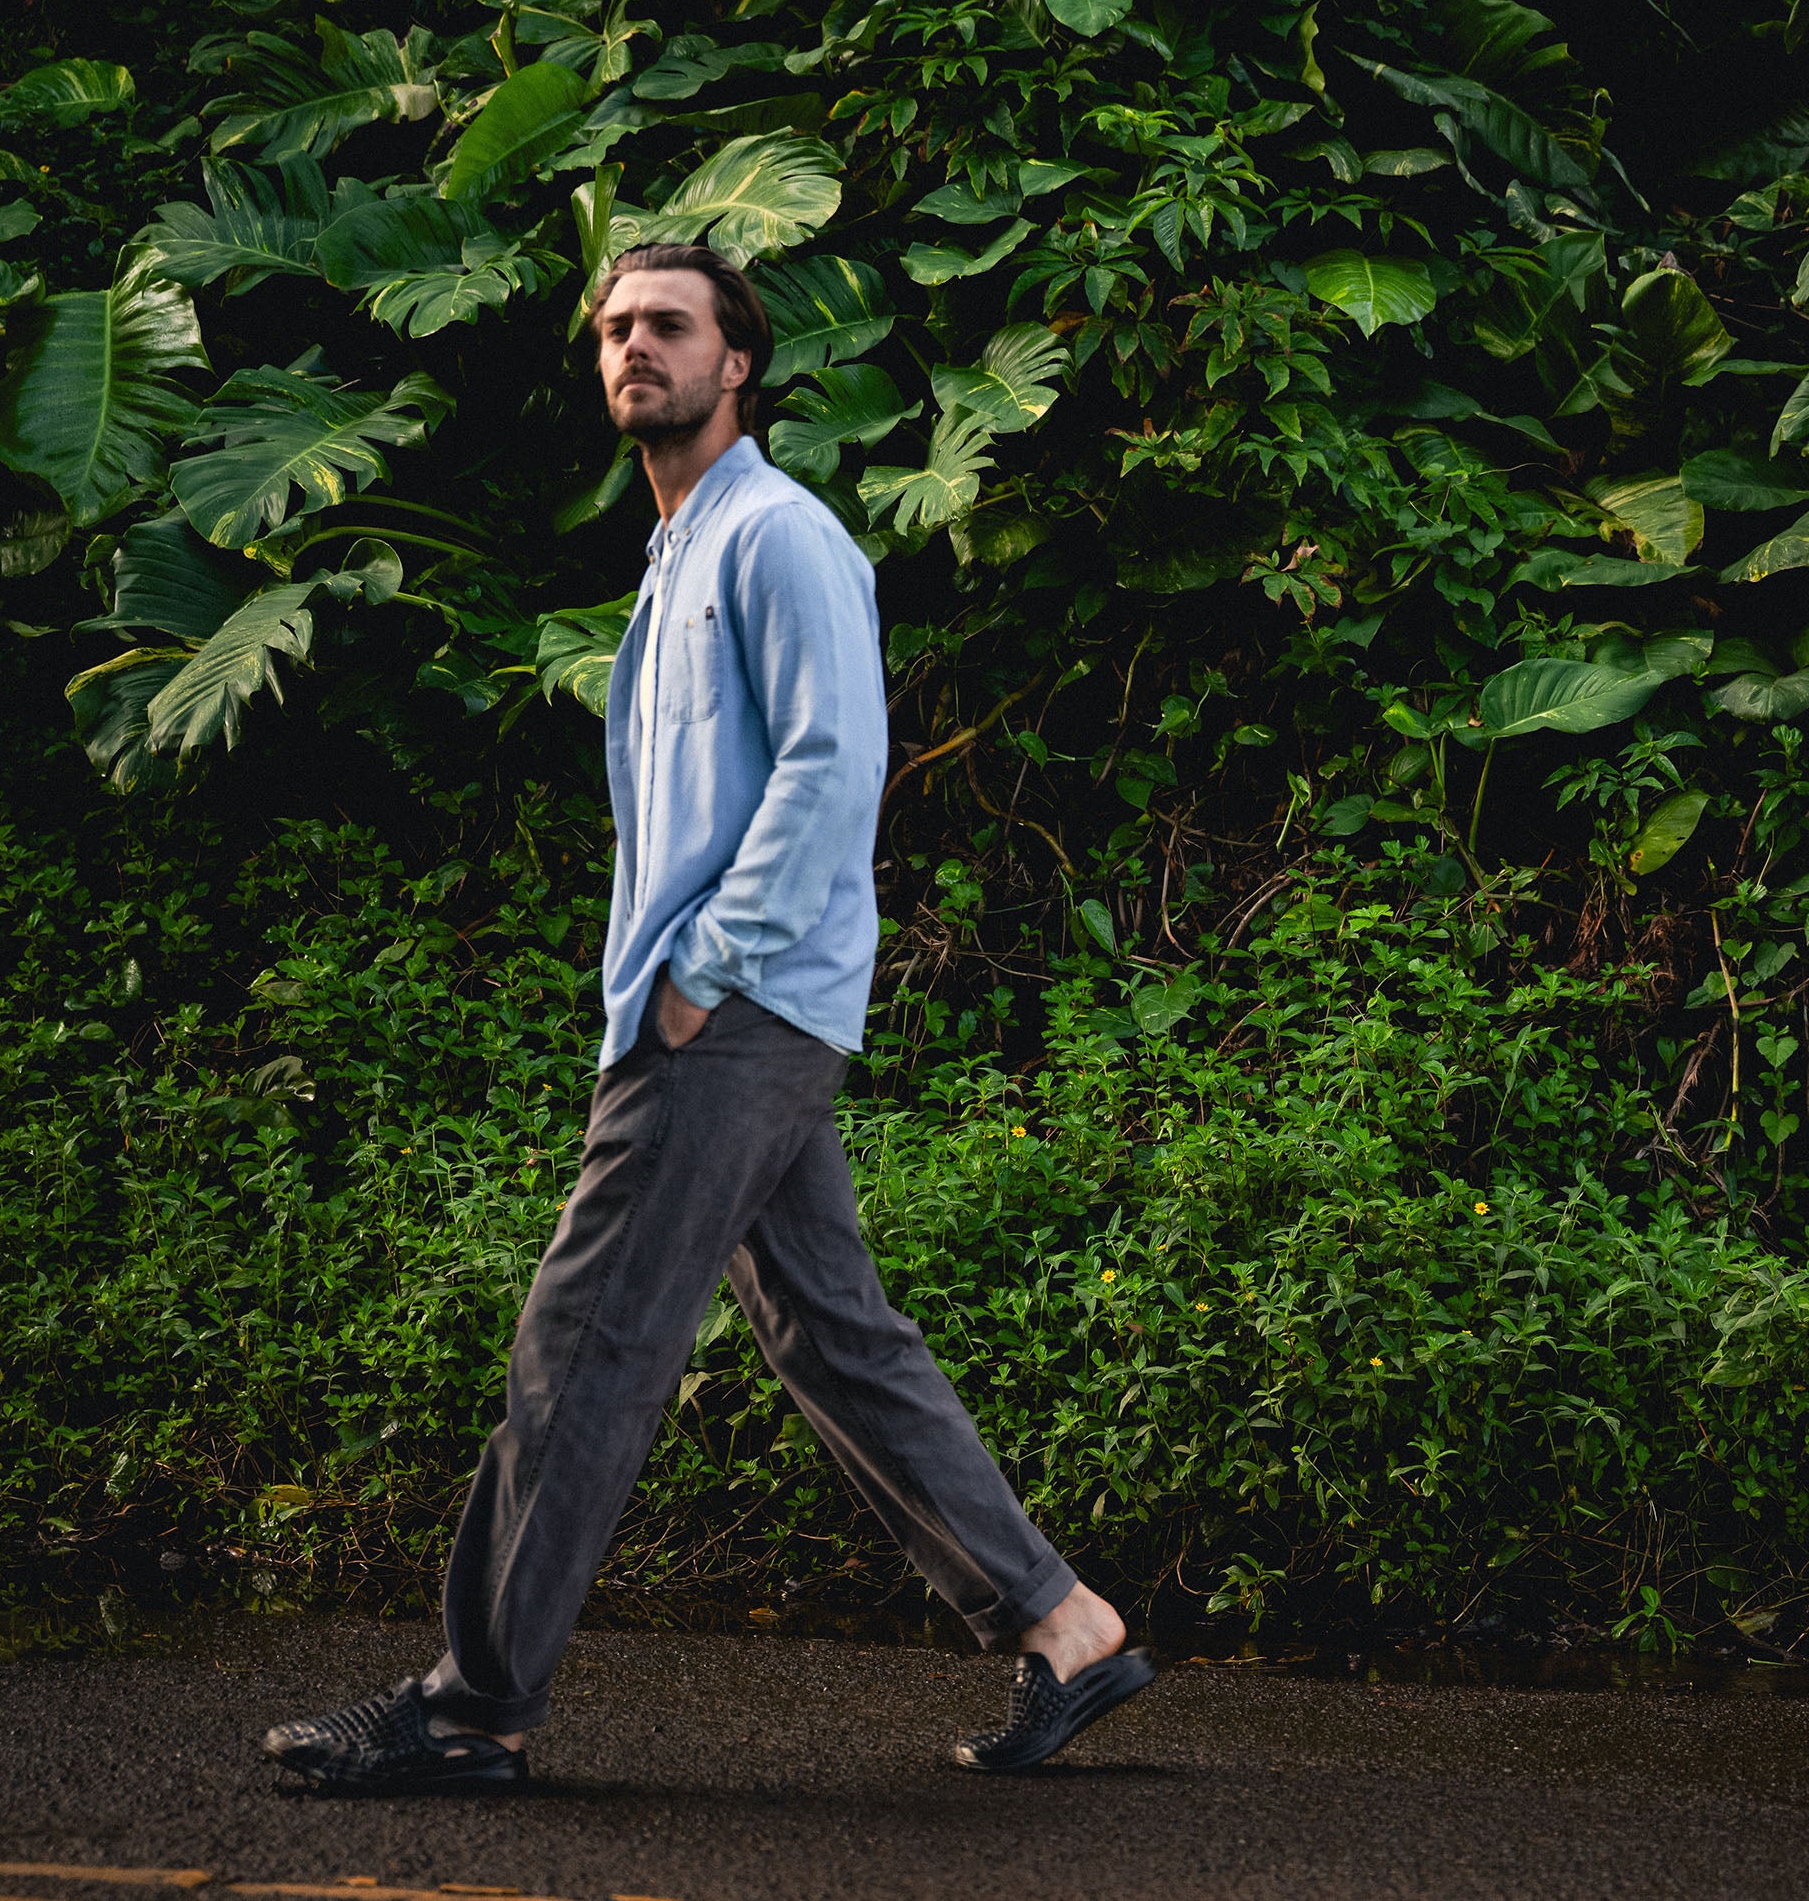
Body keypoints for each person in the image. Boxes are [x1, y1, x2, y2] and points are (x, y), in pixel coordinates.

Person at [263, 243, 1154, 1796]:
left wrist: (702, 974)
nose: (634, 350)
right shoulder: (680, 553)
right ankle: (1066, 1624)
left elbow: (831, 767)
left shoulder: (779, 538)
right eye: (615, 328)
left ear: (738, 362)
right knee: (834, 1334)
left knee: (588, 1341)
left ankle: (475, 1708)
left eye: (667, 326)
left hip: (733, 1011)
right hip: (724, 1011)